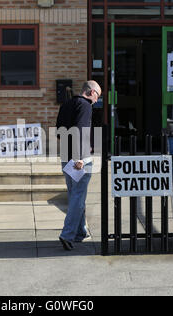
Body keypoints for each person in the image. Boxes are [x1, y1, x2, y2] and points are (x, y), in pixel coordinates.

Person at [56, 80, 102, 251]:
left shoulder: (66, 104)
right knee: (78, 197)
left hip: (65, 158)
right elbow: (80, 132)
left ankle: (80, 232)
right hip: (79, 160)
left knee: (75, 196)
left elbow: (59, 132)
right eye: (97, 95)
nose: (97, 100)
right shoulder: (85, 105)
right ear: (90, 92)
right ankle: (67, 234)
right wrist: (80, 158)